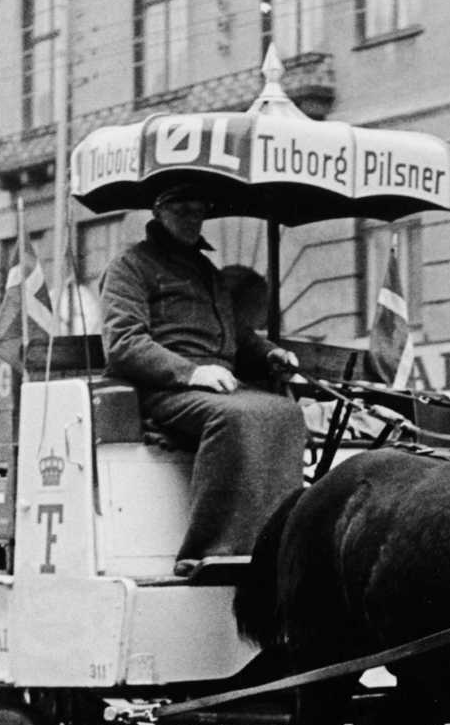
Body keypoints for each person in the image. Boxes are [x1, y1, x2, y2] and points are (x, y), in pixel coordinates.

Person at [100, 183, 308, 577]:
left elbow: (239, 335)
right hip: (163, 387)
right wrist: (192, 372)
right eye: (182, 209)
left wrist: (270, 355)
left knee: (286, 413)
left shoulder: (205, 271)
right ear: (159, 211)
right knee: (234, 419)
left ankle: (274, 541)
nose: (193, 218)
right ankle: (210, 549)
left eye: (199, 210)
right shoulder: (130, 266)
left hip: (218, 383)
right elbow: (124, 343)